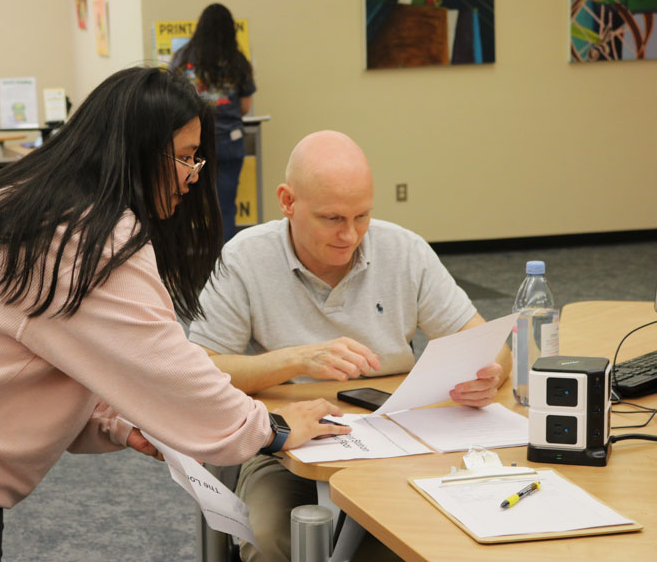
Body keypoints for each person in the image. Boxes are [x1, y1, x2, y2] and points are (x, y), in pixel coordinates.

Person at [0, 68, 350, 562]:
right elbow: (166, 365)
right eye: (186, 156)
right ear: (140, 151)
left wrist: (118, 420)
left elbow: (51, 347)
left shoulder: (38, 202)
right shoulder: (86, 235)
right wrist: (275, 428)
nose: (193, 176)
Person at [187, 130, 512, 562]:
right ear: (287, 202)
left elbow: (486, 344)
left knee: (430, 538)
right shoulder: (245, 258)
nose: (351, 234)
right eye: (332, 219)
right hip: (288, 448)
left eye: (362, 216)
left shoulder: (404, 251)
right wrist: (298, 358)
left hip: (401, 443)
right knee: (270, 537)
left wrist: (489, 373)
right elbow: (201, 370)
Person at [171, 3, 255, 243]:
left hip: (191, 146)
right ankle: (225, 265)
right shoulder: (238, 61)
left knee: (184, 204)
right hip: (230, 142)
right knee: (225, 208)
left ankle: (184, 262)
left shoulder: (183, 58)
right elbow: (245, 107)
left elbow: (173, 100)